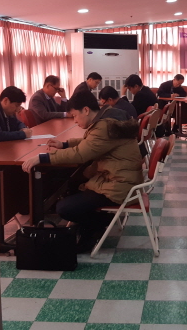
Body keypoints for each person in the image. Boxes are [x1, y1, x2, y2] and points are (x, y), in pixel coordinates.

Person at [22, 91, 143, 252]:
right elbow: (90, 142)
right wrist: (65, 144)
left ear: (86, 110)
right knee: (73, 182)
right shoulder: (108, 118)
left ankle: (97, 225)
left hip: (119, 185)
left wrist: (43, 157)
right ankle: (90, 224)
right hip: (121, 177)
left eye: (75, 116)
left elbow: (80, 154)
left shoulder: (104, 126)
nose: (74, 120)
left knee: (64, 207)